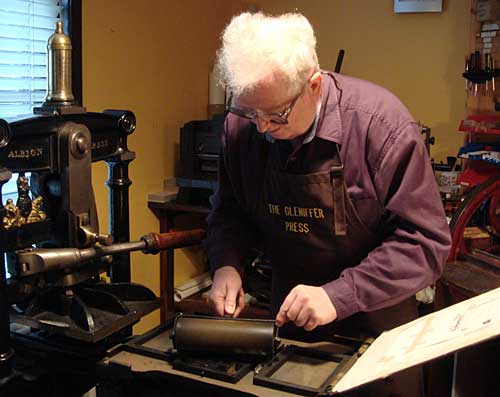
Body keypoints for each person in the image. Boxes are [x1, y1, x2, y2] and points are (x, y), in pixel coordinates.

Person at [206, 12, 451, 396]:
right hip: (290, 327)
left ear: (314, 86)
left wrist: (338, 295)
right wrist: (226, 264)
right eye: (250, 112)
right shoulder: (243, 129)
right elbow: (230, 210)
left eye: (276, 115)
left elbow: (425, 243)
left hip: (377, 330)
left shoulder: (380, 127)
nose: (262, 129)